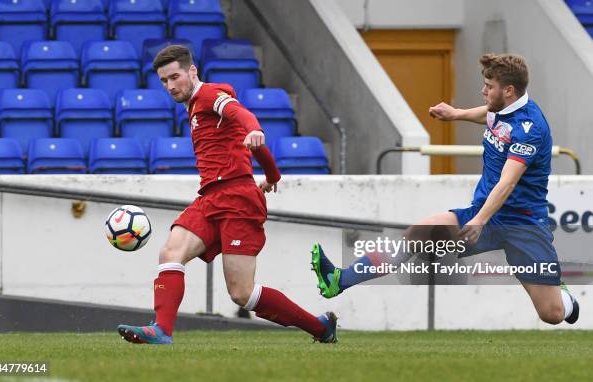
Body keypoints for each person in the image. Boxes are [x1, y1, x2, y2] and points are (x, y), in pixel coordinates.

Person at [311, 53, 579, 325]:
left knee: (552, 314)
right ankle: (339, 280)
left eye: (489, 86)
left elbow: (507, 182)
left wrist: (478, 220)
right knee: (417, 235)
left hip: (524, 225)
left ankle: (563, 296)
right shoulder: (501, 108)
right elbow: (488, 113)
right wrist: (456, 114)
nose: (483, 91)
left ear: (509, 91)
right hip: (485, 213)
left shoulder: (531, 129)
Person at [118, 45, 337, 344]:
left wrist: (255, 128)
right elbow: (253, 148)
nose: (170, 86)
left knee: (241, 293)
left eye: (175, 77)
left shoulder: (209, 95)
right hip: (210, 198)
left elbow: (240, 113)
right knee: (171, 252)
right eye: (164, 81)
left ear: (192, 71)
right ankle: (161, 330)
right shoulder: (193, 105)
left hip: (237, 201)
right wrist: (272, 176)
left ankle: (320, 327)